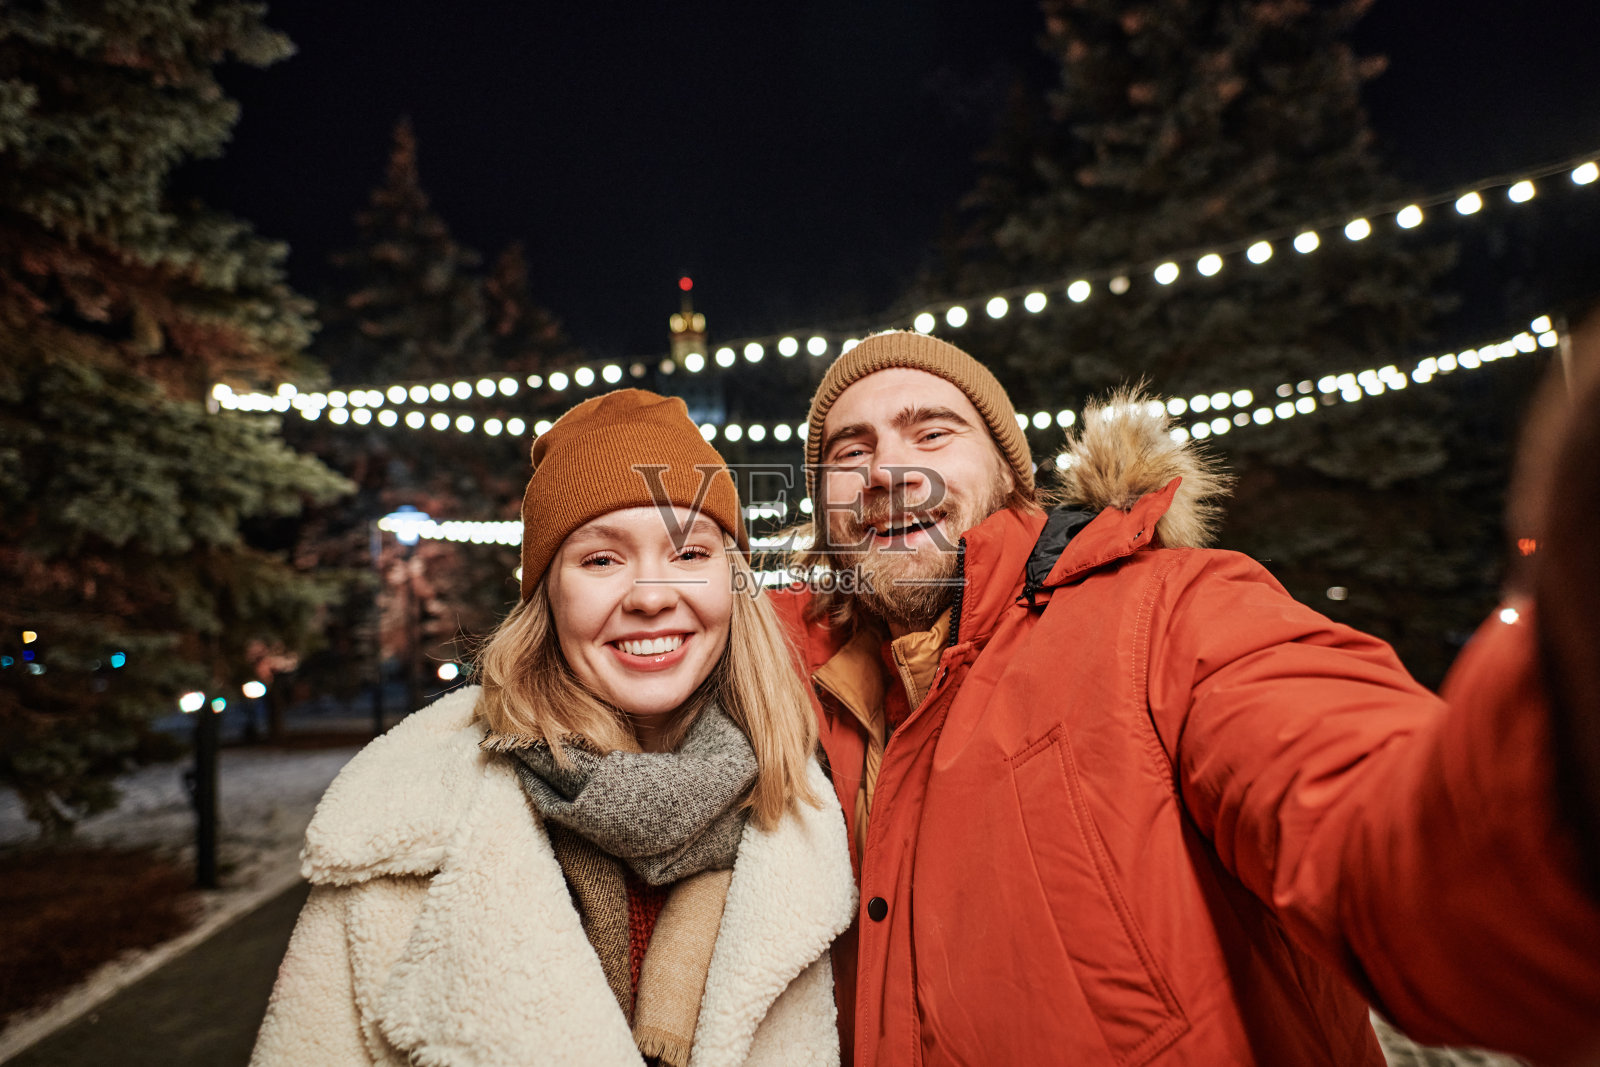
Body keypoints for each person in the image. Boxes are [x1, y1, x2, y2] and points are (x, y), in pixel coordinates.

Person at [769, 330, 1600, 1066]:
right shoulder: (803, 709)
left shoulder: (1169, 614)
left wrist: (1560, 728)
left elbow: (1386, 832)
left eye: (930, 431)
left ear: (1010, 480)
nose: (885, 472)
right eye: (848, 452)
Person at [251, 390, 855, 1067]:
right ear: (548, 595)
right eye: (602, 559)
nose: (652, 595)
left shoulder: (817, 812)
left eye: (689, 553)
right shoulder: (404, 825)